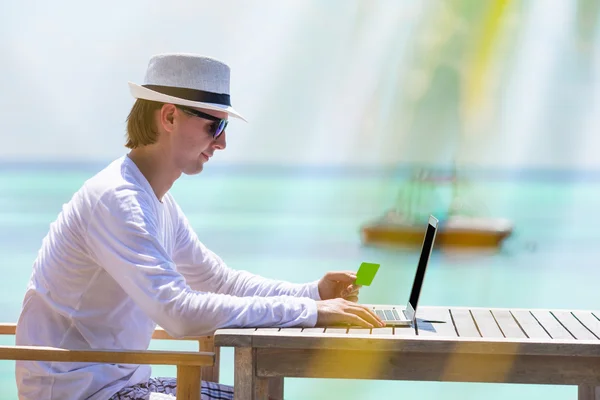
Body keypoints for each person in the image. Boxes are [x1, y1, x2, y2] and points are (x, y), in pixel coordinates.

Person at [14, 53, 384, 400]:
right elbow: (178, 313)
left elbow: (219, 282)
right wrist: (311, 314)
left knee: (263, 394)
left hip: (118, 382)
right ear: (170, 117)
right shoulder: (118, 200)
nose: (222, 142)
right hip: (82, 392)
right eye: (215, 125)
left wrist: (313, 294)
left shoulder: (155, 202)